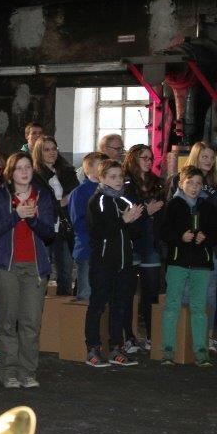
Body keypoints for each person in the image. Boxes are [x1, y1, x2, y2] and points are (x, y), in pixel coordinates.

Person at [0, 152, 55, 388]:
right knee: (7, 321)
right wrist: (16, 216)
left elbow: (49, 234)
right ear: (10, 173)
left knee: (31, 322)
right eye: (19, 168)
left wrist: (32, 219)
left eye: (28, 167)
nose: (24, 172)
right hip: (6, 266)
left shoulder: (43, 195)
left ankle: (28, 371)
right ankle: (9, 371)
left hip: (35, 266)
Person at [84, 160, 142, 368]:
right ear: (102, 178)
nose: (118, 181)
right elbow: (99, 232)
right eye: (112, 177)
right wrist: (124, 221)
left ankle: (116, 348)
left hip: (124, 263)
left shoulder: (126, 199)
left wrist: (135, 221)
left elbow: (134, 233)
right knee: (98, 305)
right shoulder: (97, 200)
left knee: (120, 305)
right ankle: (92, 348)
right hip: (103, 263)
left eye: (120, 176)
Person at [158, 166, 214, 367]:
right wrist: (180, 237)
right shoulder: (173, 205)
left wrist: (205, 239)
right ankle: (167, 350)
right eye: (190, 182)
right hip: (178, 262)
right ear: (181, 183)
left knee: (199, 307)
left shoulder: (207, 206)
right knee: (172, 305)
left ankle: (201, 351)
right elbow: (164, 231)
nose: (194, 187)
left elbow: (214, 232)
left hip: (201, 263)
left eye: (199, 183)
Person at [121, 144, 165, 350]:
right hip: (132, 244)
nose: (148, 161)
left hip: (151, 243)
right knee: (128, 292)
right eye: (143, 157)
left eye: (150, 158)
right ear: (133, 159)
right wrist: (147, 211)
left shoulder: (157, 183)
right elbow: (129, 216)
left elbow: (163, 212)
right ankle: (128, 336)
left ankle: (150, 335)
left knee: (151, 293)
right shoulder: (126, 183)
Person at [31, 136, 78, 297]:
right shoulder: (34, 175)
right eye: (47, 149)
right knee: (42, 272)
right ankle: (36, 309)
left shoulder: (66, 171)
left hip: (64, 227)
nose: (52, 152)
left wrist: (65, 202)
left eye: (54, 148)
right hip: (45, 227)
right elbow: (37, 201)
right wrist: (60, 203)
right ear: (39, 152)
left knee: (65, 272)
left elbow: (75, 194)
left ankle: (63, 315)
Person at [183, 141, 217, 348]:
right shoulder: (182, 181)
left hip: (211, 245)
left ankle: (208, 336)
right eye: (204, 156)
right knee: (190, 291)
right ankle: (187, 337)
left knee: (211, 291)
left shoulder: (213, 184)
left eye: (212, 157)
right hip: (192, 246)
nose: (209, 161)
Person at [69, 152, 106, 302]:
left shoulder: (108, 190)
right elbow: (78, 222)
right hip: (87, 248)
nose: (103, 169)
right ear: (88, 169)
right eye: (99, 166)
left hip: (105, 249)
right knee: (86, 293)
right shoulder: (80, 192)